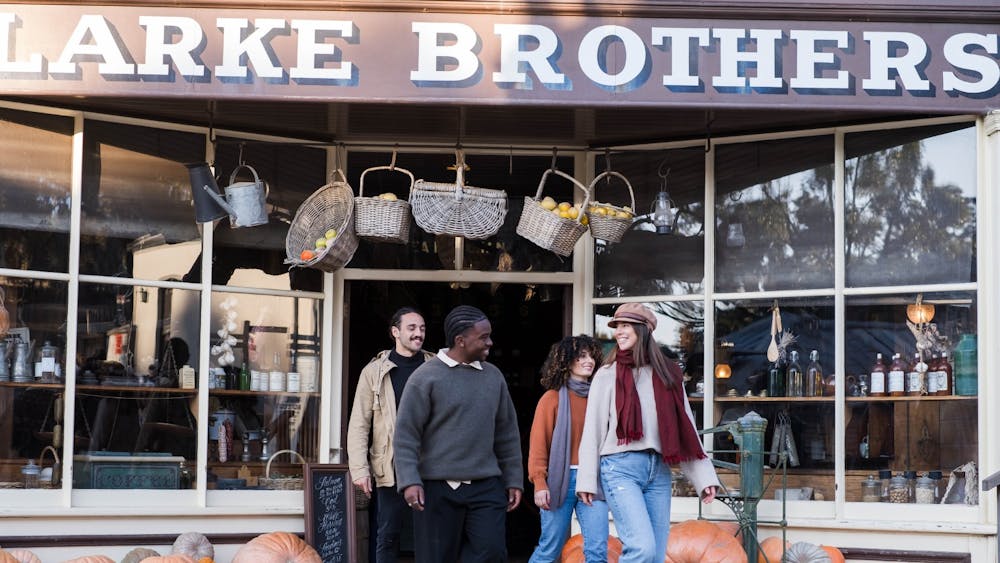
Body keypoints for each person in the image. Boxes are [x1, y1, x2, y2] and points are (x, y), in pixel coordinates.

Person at [577, 303, 720, 563]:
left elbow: (685, 428)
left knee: (654, 555)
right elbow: (592, 431)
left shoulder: (668, 374)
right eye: (617, 326)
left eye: (625, 326)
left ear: (643, 330)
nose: (618, 332)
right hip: (620, 468)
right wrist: (586, 479)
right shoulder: (606, 375)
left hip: (658, 471)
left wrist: (704, 478)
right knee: (641, 549)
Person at [393, 305, 523, 563]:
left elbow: (507, 434)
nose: (490, 342)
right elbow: (406, 435)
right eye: (483, 337)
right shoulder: (425, 377)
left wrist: (514, 479)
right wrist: (409, 480)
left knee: (492, 552)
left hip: (485, 485)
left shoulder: (493, 377)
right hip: (436, 488)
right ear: (460, 341)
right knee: (436, 557)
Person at [347, 307, 432, 563]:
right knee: (388, 535)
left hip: (430, 466)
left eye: (422, 329)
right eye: (412, 328)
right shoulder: (373, 372)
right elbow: (359, 424)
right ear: (395, 332)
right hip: (390, 464)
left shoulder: (436, 367)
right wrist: (360, 468)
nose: (419, 334)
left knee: (430, 536)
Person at [527, 335, 609, 563]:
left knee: (597, 550)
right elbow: (538, 446)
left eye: (592, 356)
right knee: (550, 549)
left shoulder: (599, 399)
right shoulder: (551, 399)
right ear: (566, 360)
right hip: (559, 481)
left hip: (592, 479)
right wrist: (540, 483)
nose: (589, 360)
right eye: (582, 356)